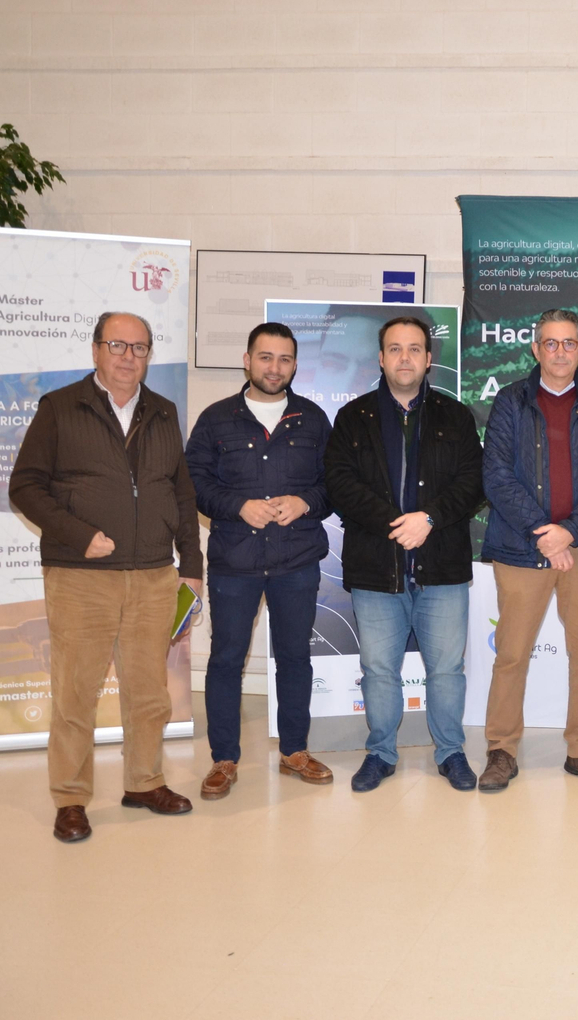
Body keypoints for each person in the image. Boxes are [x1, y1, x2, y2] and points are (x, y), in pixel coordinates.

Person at [10, 312, 202, 843]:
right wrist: (78, 534)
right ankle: (70, 799)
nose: (128, 357)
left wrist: (191, 567)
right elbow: (24, 487)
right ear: (96, 350)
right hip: (82, 576)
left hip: (153, 576)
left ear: (148, 355)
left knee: (149, 694)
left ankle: (144, 782)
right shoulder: (60, 408)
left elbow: (182, 494)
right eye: (117, 345)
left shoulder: (163, 411)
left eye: (139, 348)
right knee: (76, 694)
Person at [325, 315, 485, 793]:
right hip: (376, 568)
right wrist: (396, 524)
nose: (405, 357)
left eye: (414, 348)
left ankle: (451, 752)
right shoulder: (352, 417)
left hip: (443, 569)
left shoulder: (456, 417)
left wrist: (429, 518)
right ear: (381, 358)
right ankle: (380, 753)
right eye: (395, 349)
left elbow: (473, 483)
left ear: (428, 359)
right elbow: (339, 484)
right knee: (378, 670)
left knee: (446, 670)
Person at [479, 309, 578, 790]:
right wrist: (544, 532)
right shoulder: (510, 401)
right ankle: (501, 750)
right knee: (511, 655)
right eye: (551, 343)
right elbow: (496, 475)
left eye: (569, 343)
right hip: (522, 546)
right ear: (535, 349)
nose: (560, 352)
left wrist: (571, 532)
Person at [185, 322, 334, 799]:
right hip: (235, 562)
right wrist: (237, 506)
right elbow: (193, 482)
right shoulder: (215, 419)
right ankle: (223, 760)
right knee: (226, 659)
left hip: (296, 561)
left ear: (295, 365)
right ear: (247, 360)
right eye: (265, 357)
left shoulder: (313, 419)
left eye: (284, 359)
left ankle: (295, 752)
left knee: (295, 657)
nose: (275, 367)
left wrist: (305, 502)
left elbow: (334, 484)